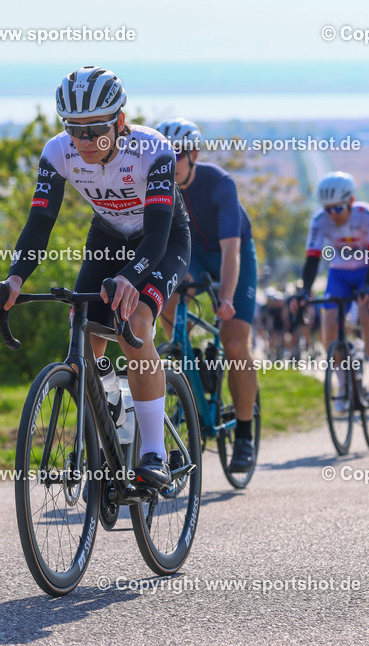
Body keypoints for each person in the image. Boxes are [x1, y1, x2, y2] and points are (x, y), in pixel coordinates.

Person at [0, 66, 191, 488]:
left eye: (94, 130)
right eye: (73, 130)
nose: (83, 142)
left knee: (135, 326)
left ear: (119, 121)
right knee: (85, 334)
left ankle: (153, 453)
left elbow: (155, 235)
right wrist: (15, 279)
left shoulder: (154, 150)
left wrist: (132, 279)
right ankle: (111, 406)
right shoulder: (58, 152)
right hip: (108, 237)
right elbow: (39, 224)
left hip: (163, 240)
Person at [154, 118, 259, 472]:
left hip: (231, 253)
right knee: (165, 291)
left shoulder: (219, 184)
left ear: (194, 154)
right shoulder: (157, 185)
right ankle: (185, 355)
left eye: (175, 157)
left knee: (233, 341)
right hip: (192, 254)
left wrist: (226, 298)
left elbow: (232, 252)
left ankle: (244, 434)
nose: (167, 167)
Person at [295, 172, 369, 408]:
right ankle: (343, 383)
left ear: (351, 202)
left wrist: (368, 287)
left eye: (338, 209)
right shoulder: (319, 220)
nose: (332, 215)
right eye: (328, 209)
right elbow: (313, 259)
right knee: (329, 322)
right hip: (340, 273)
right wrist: (305, 290)